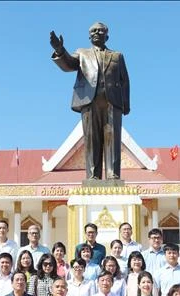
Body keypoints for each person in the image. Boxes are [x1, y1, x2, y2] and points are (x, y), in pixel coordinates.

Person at [50, 22, 129, 180]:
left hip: (112, 102)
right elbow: (69, 65)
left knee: (112, 138)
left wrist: (125, 104)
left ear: (107, 35)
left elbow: (125, 80)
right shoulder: (82, 53)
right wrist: (59, 50)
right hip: (89, 100)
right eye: (93, 30)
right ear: (89, 35)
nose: (97, 32)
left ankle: (113, 175)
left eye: (101, 30)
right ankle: (93, 176)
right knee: (92, 139)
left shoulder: (117, 56)